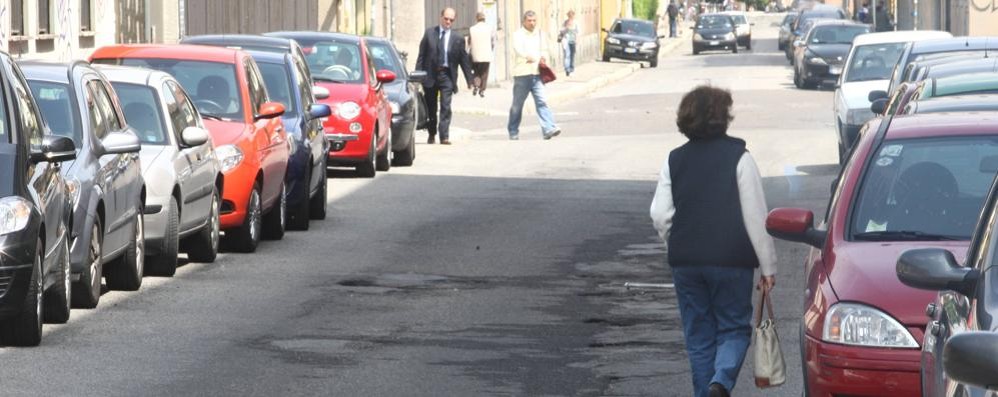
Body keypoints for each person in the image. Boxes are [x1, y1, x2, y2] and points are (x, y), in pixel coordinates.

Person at [649, 85, 777, 397]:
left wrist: (677, 241)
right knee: (733, 327)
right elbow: (756, 216)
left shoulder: (674, 160)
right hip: (731, 261)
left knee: (698, 335)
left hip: (687, 263)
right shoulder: (740, 158)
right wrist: (767, 266)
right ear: (723, 118)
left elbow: (660, 213)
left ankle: (704, 393)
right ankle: (720, 381)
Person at [415, 7, 474, 145]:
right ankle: (431, 133)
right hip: (430, 75)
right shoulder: (430, 33)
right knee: (431, 107)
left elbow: (464, 60)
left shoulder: (458, 39)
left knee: (446, 106)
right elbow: (421, 56)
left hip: (447, 75)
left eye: (451, 20)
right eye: (446, 19)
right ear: (441, 17)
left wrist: (469, 80)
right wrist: (417, 76)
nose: (448, 22)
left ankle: (444, 136)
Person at [508, 10, 561, 141]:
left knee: (542, 101)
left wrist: (544, 58)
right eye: (529, 21)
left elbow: (545, 49)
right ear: (524, 21)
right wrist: (526, 56)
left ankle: (548, 128)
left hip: (537, 74)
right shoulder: (517, 35)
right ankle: (513, 130)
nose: (532, 23)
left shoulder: (540, 34)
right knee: (517, 105)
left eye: (534, 21)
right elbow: (518, 49)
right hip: (522, 74)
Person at [468, 12, 495, 97]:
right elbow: (493, 41)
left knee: (476, 72)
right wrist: (491, 49)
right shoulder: (490, 28)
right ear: (484, 19)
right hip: (486, 54)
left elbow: (469, 42)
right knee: (484, 73)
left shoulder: (472, 29)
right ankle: (482, 90)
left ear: (476, 19)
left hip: (475, 54)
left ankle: (476, 86)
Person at [559, 10, 579, 76]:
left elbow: (577, 32)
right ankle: (567, 69)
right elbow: (561, 31)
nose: (570, 16)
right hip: (566, 41)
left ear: (573, 15)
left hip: (573, 41)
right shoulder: (565, 22)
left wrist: (577, 40)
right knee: (567, 55)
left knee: (572, 55)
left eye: (571, 15)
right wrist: (566, 28)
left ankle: (571, 68)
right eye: (569, 15)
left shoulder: (575, 23)